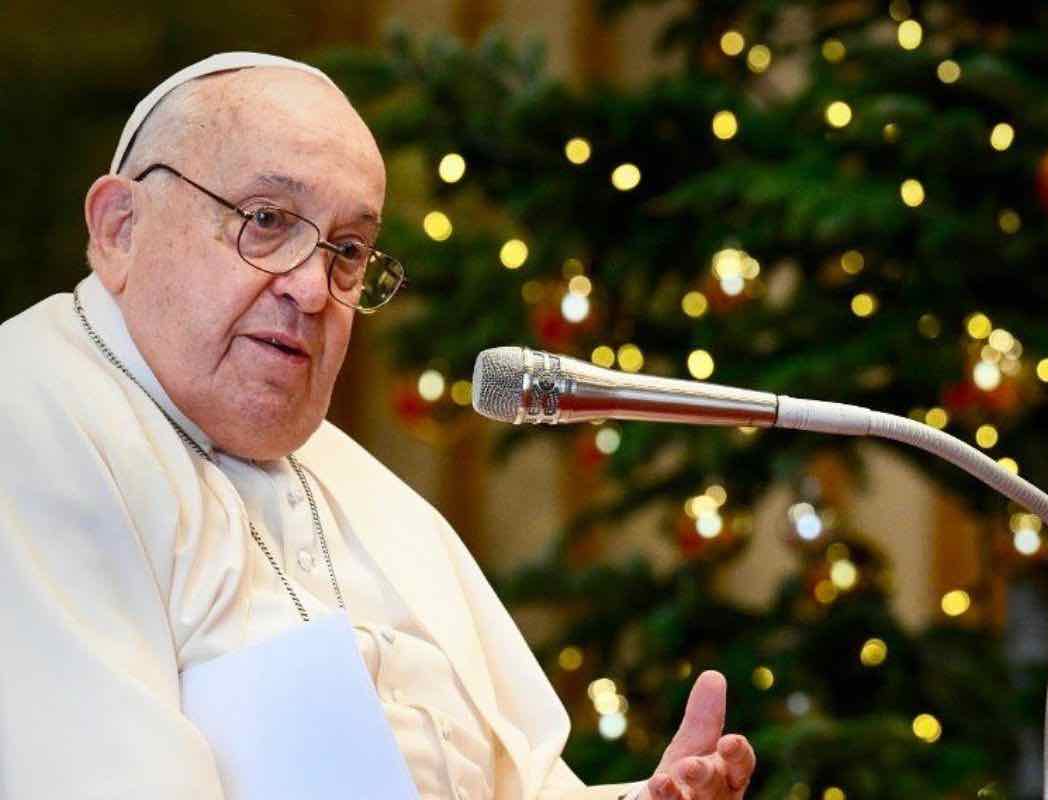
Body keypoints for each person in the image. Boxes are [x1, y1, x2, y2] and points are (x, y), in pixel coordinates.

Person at [0, 52, 757, 799]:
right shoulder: (31, 416)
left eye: (349, 251)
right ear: (120, 227)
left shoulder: (360, 487)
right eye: (266, 221)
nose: (310, 289)